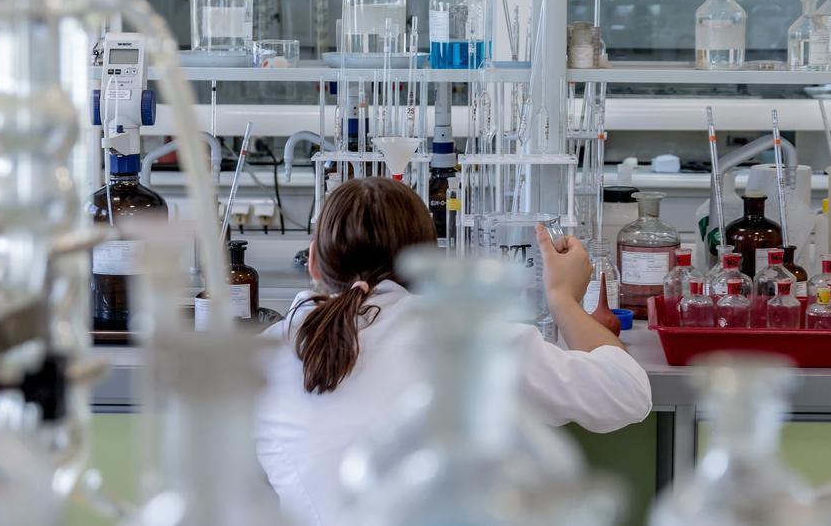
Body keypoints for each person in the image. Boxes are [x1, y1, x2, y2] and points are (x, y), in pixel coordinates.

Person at [254, 177, 652, 526]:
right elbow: (627, 393)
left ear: (313, 262)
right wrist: (563, 298)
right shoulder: (468, 343)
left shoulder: (261, 357)